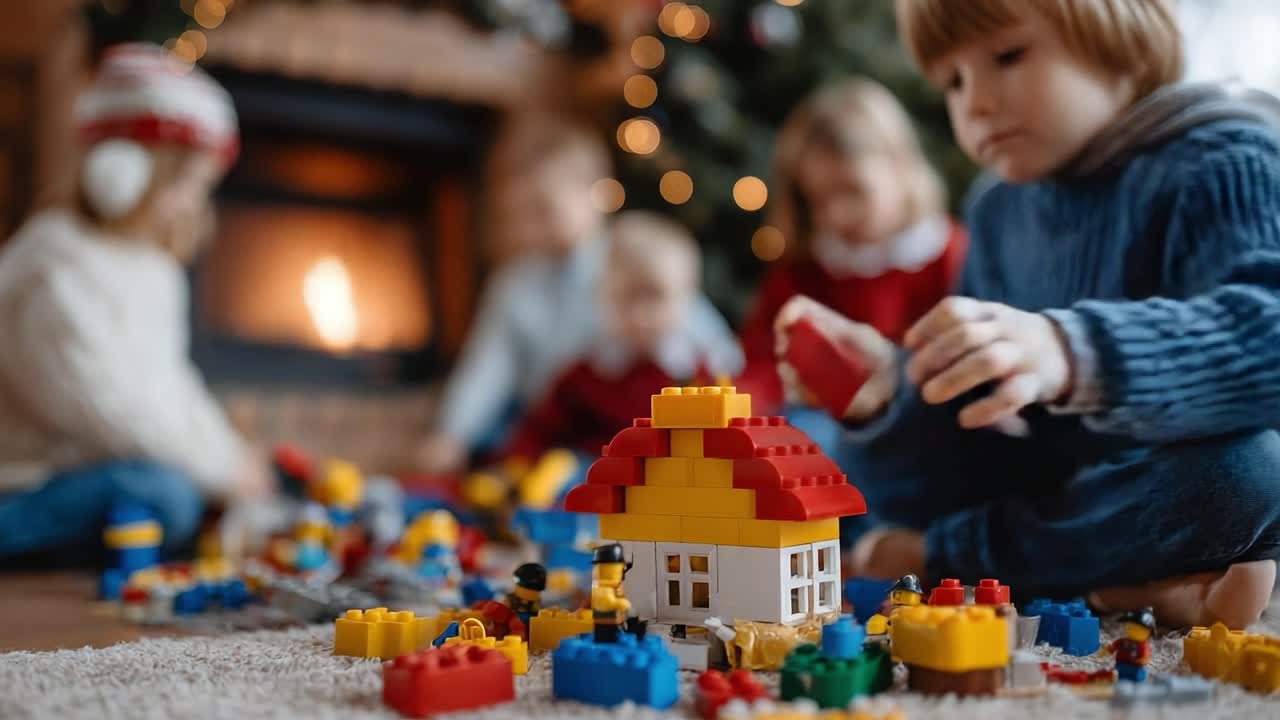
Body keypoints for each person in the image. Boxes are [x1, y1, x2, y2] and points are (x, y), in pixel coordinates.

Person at [775, 0, 1280, 628]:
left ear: (1115, 34)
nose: (975, 101)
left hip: (1164, 473)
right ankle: (1125, 585)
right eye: (953, 81)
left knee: (1248, 473)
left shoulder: (1222, 158)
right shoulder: (996, 209)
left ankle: (949, 559)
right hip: (1058, 478)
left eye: (1007, 56)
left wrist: (1069, 352)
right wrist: (896, 386)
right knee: (849, 451)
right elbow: (982, 412)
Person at [0, 44, 272, 563]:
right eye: (187, 185)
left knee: (185, 491)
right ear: (119, 173)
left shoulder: (153, 268)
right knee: (163, 494)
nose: (195, 205)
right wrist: (218, 471)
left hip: (96, 465)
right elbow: (109, 410)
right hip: (25, 481)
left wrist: (235, 458)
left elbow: (171, 385)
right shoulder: (55, 263)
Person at [415, 118, 739, 472]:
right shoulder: (513, 283)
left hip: (618, 420)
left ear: (596, 194)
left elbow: (697, 330)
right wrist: (452, 432)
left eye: (543, 209)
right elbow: (488, 365)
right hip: (545, 420)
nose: (532, 227)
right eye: (520, 213)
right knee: (498, 453)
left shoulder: (631, 261)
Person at [738, 78, 966, 418]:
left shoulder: (952, 258)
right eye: (818, 199)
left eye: (853, 191)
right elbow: (761, 364)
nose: (837, 215)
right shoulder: (802, 274)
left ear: (899, 166)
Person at [502, 211, 742, 462]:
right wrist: (515, 466)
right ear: (605, 296)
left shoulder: (699, 378)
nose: (640, 315)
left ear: (687, 300)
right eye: (626, 297)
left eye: (654, 296)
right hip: (594, 483)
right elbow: (538, 431)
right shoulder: (585, 375)